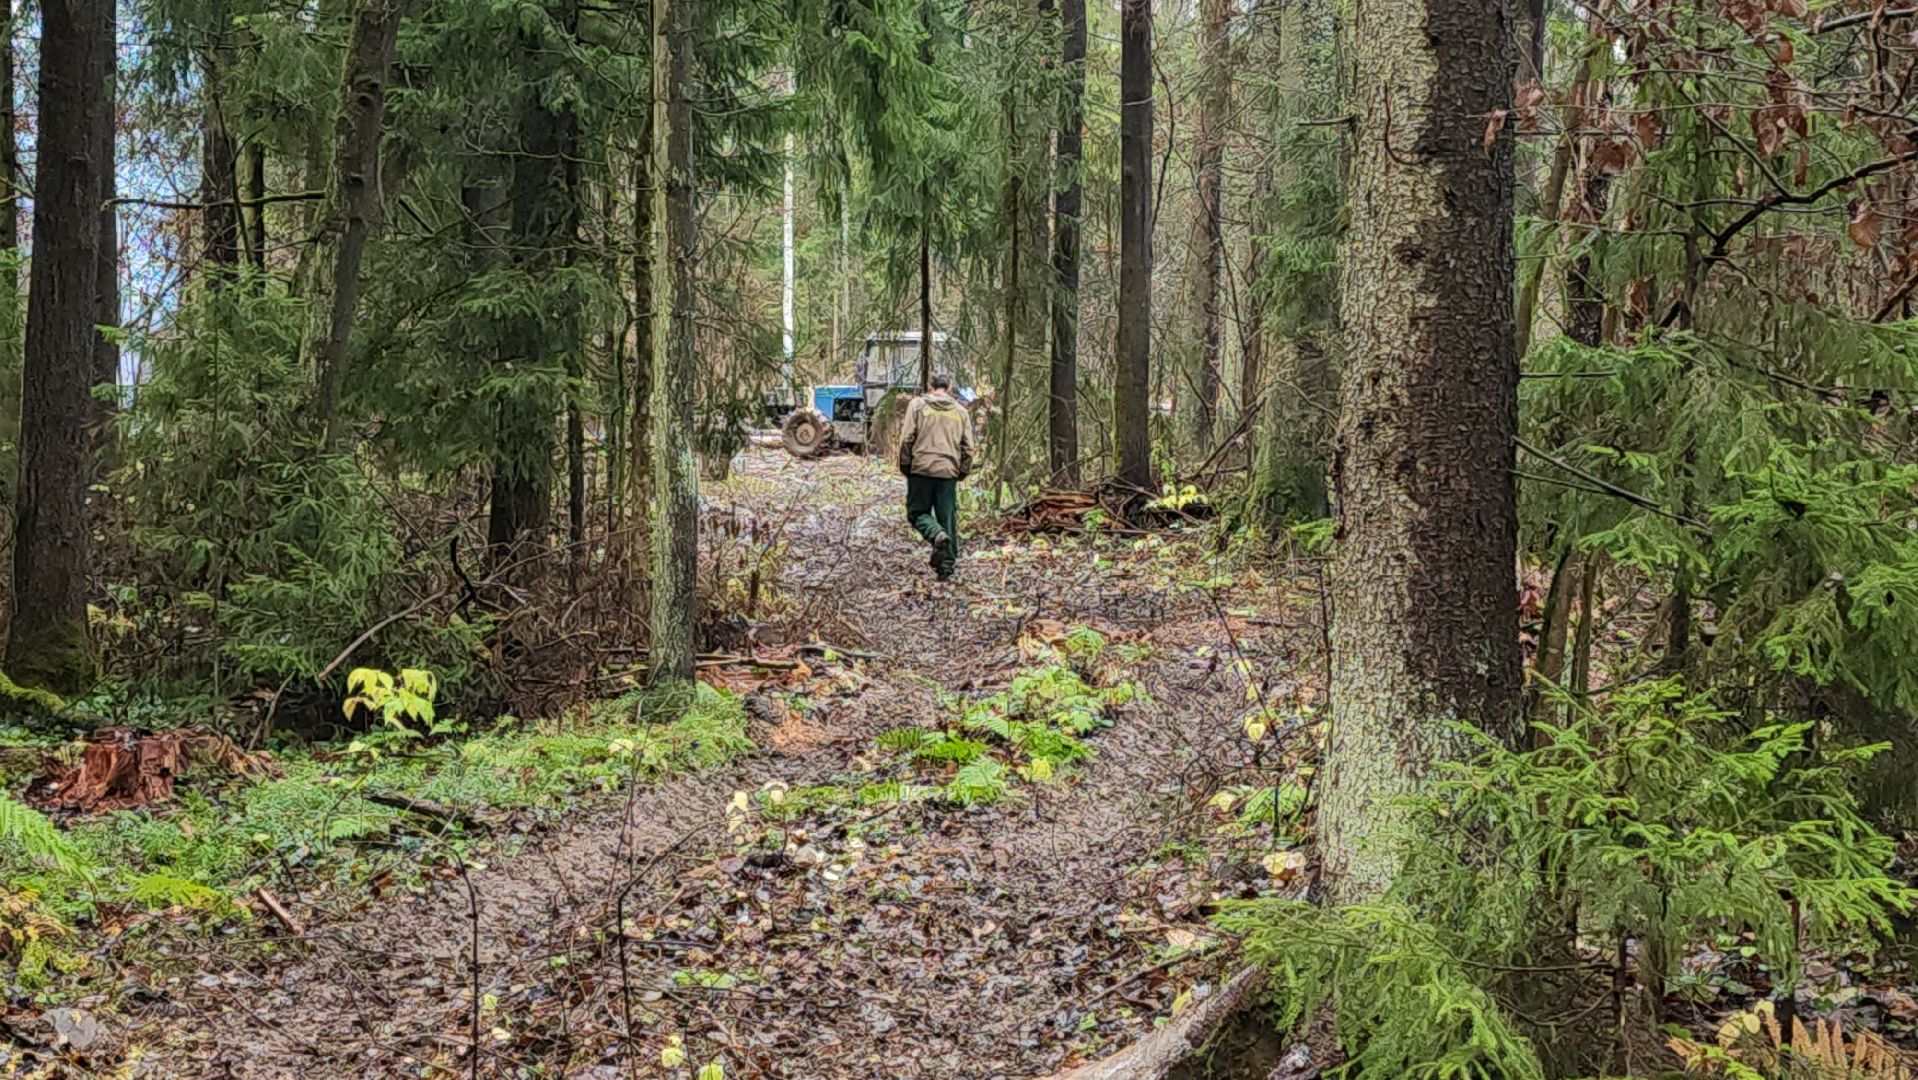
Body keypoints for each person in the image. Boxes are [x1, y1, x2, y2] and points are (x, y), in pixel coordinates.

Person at [896, 373, 977, 580]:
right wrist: (962, 471)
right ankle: (947, 567)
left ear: (931, 387)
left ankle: (935, 535)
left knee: (916, 513)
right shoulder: (960, 412)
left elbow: (907, 438)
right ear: (948, 388)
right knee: (947, 517)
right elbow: (968, 447)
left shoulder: (917, 405)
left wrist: (906, 465)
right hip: (948, 471)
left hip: (921, 469)